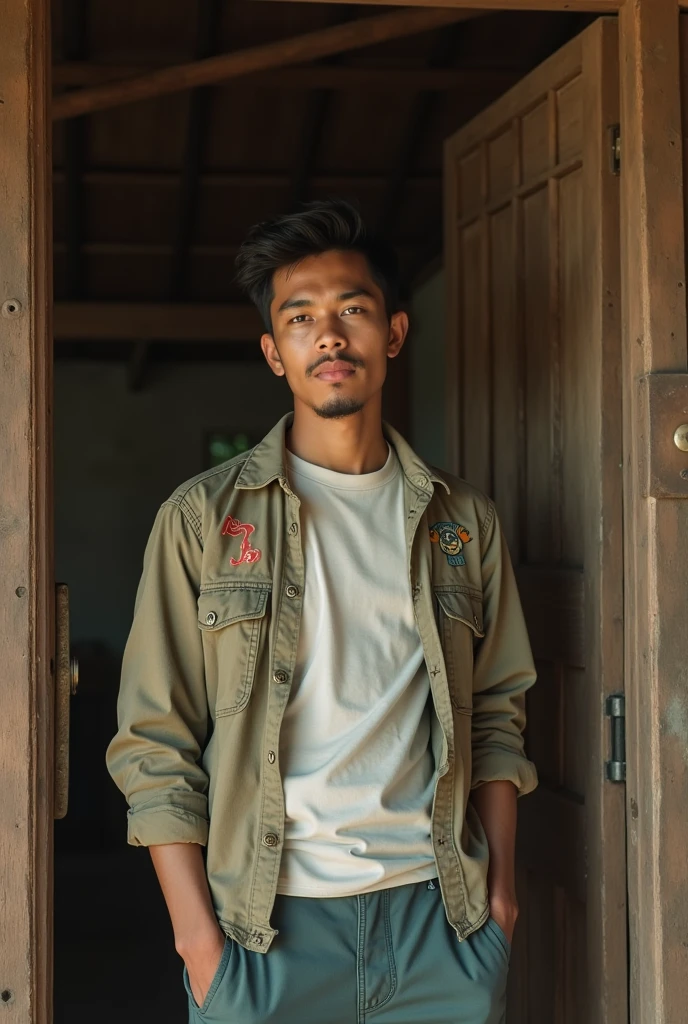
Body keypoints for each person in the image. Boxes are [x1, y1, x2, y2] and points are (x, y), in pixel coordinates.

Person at [105, 199, 537, 1024]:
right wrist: (199, 942)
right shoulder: (203, 520)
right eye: (301, 318)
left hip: (437, 924)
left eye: (353, 311)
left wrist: (500, 905)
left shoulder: (462, 522)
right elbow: (153, 738)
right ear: (274, 352)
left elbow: (496, 715)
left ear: (395, 334)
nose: (329, 336)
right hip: (264, 936)